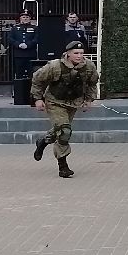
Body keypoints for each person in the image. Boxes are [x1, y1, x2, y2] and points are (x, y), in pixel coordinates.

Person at [30, 41, 98, 178]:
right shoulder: (55, 66)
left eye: (81, 53)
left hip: (73, 103)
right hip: (55, 102)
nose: (79, 56)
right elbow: (37, 80)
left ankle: (43, 141)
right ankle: (63, 166)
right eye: (76, 53)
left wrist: (89, 99)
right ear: (68, 54)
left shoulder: (89, 66)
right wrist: (37, 99)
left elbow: (92, 83)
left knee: (60, 129)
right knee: (64, 131)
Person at [6, 12, 39, 81]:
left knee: (32, 74)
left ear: (30, 18)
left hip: (31, 54)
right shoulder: (15, 28)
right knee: (19, 74)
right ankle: (19, 90)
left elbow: (37, 39)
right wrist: (18, 44)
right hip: (19, 54)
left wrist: (28, 45)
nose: (25, 19)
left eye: (27, 17)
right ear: (20, 18)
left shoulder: (35, 28)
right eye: (23, 17)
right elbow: (10, 38)